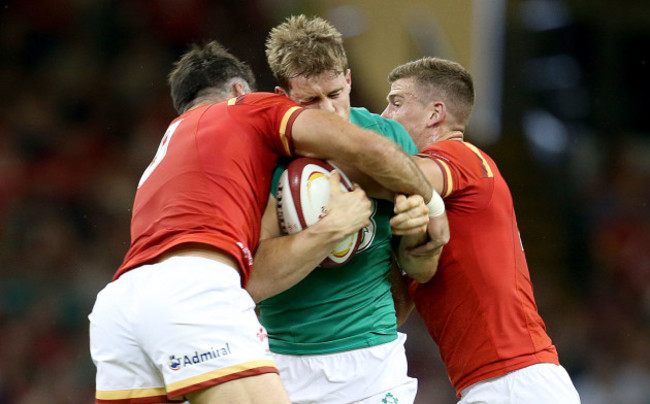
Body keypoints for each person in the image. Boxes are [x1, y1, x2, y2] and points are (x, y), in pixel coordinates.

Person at [87, 41, 434, 404]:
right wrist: (429, 205)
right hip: (194, 288)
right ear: (240, 90)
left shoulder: (170, 146)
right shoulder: (245, 107)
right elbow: (365, 147)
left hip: (120, 304)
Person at [245, 15, 448, 404]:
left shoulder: (388, 140)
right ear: (282, 96)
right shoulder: (261, 156)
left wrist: (418, 231)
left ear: (350, 80)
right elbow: (251, 282)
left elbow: (421, 268)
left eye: (335, 93)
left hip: (373, 362)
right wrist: (328, 232)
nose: (328, 111)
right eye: (310, 101)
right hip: (284, 363)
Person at [381, 56, 581, 404]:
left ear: (435, 114)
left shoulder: (461, 157)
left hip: (515, 382)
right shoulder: (426, 211)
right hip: (500, 383)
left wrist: (336, 147)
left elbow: (400, 175)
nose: (384, 116)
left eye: (396, 103)